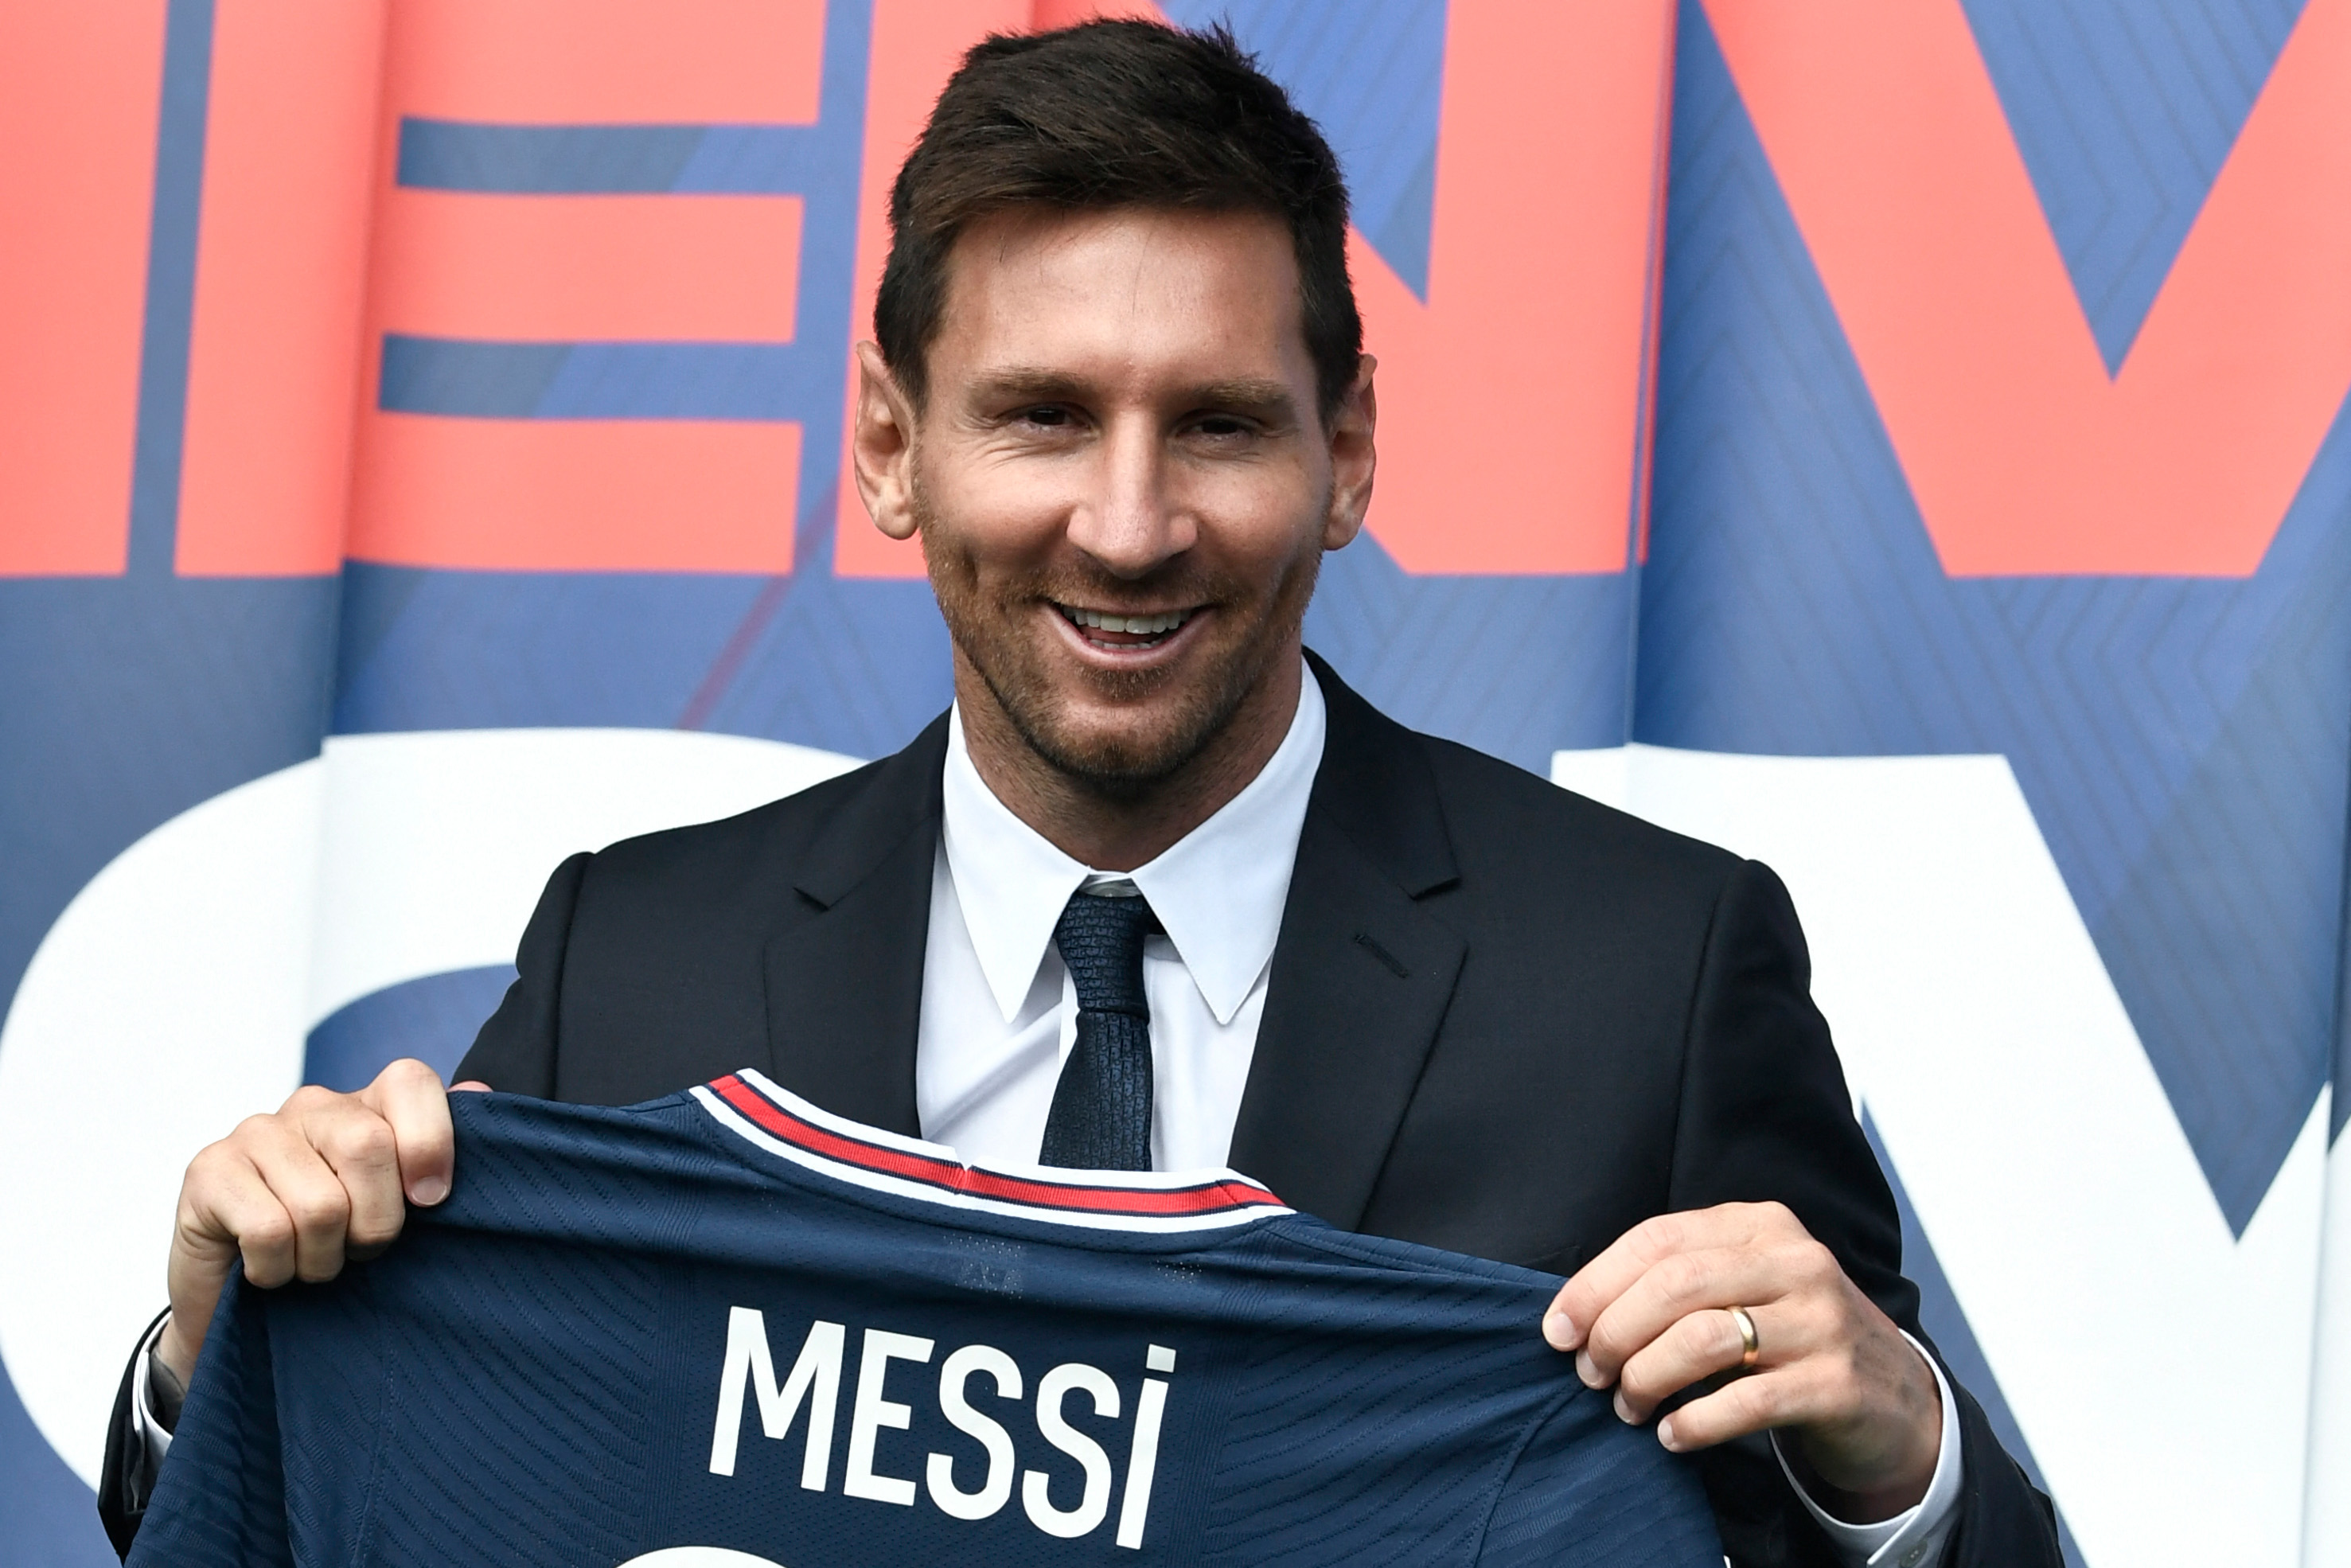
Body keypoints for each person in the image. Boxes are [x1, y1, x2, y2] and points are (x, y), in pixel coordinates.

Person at [99, 20, 2060, 1566]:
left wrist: (1894, 1459)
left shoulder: (1651, 969)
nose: (1127, 528)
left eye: (1213, 422)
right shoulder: (637, 952)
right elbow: (400, 1483)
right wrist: (226, 1353)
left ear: (1348, 451)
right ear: (891, 447)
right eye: (1041, 415)